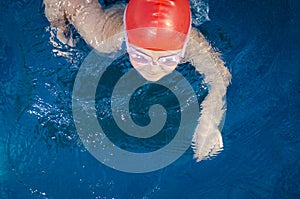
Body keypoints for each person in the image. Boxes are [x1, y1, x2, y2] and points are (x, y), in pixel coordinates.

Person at [43, 0, 231, 161]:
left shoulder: (192, 44)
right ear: (126, 38)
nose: (153, 67)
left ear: (183, 50)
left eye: (168, 59)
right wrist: (58, 25)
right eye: (140, 56)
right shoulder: (103, 35)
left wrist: (210, 121)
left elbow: (219, 79)